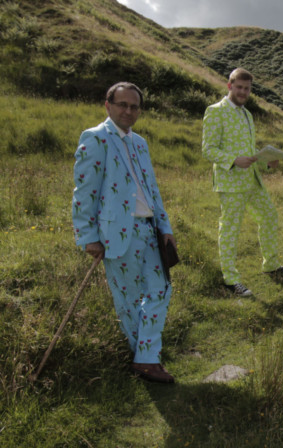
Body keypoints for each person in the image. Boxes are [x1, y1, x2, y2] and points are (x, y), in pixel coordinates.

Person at [72, 82, 176, 383]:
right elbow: (84, 192)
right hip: (116, 234)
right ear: (108, 105)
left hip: (148, 230)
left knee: (161, 290)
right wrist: (88, 236)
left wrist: (165, 228)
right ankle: (145, 360)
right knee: (128, 299)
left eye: (134, 106)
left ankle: (146, 356)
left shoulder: (140, 142)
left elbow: (152, 191)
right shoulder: (95, 139)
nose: (128, 111)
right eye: (122, 104)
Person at [202, 68, 283, 296]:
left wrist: (266, 162)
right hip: (231, 183)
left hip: (253, 180)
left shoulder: (247, 115)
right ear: (229, 86)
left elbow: (249, 151)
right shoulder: (215, 112)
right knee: (231, 229)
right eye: (239, 87)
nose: (243, 92)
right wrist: (233, 160)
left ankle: (270, 265)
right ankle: (230, 280)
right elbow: (208, 149)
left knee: (269, 216)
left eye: (247, 88)